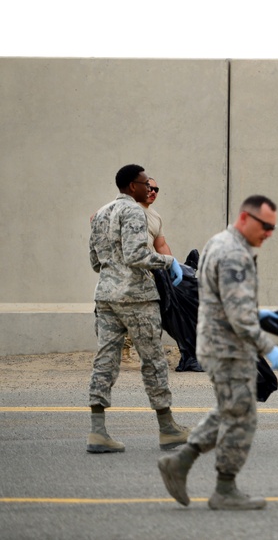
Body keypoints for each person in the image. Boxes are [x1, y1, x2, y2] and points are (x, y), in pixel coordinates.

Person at [158, 195, 278, 510]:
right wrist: (267, 346)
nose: (269, 233)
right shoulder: (234, 254)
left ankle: (181, 462)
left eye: (273, 228)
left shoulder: (219, 241)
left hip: (214, 343)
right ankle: (224, 489)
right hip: (228, 348)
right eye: (265, 226)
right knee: (242, 415)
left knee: (233, 408)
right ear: (245, 218)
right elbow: (239, 313)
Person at [86, 164, 187, 453]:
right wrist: (170, 262)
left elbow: (95, 263)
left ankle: (97, 432)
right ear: (132, 186)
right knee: (153, 360)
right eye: (145, 183)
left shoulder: (100, 213)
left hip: (106, 296)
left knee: (105, 360)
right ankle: (168, 429)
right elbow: (136, 255)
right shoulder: (133, 212)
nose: (149, 188)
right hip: (136, 297)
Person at [122, 176, 173, 362]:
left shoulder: (155, 216)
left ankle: (145, 355)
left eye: (156, 190)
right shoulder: (126, 209)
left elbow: (161, 245)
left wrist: (172, 265)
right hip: (127, 272)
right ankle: (124, 354)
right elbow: (95, 218)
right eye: (149, 188)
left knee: (149, 313)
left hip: (147, 272)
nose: (153, 192)